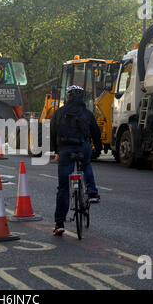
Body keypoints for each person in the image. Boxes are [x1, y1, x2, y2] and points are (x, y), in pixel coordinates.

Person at [50, 85, 103, 236]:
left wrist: (56, 150)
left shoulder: (59, 113)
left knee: (63, 187)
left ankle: (59, 223)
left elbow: (52, 132)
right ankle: (92, 193)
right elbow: (95, 133)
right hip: (83, 146)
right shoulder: (87, 113)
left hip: (65, 149)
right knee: (86, 164)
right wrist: (97, 150)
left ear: (68, 97)